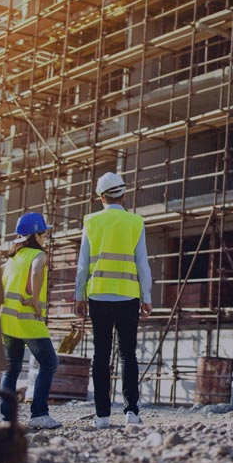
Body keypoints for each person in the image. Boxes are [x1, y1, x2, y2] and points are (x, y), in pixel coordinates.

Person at [74, 172, 152, 428]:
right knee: (128, 354)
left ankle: (102, 416)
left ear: (101, 197)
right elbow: (142, 263)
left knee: (101, 354)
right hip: (128, 295)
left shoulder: (92, 222)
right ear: (124, 194)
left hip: (98, 295)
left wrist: (78, 295)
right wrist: (147, 295)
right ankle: (131, 412)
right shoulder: (135, 222)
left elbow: (83, 263)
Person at [0, 212, 61, 429]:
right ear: (36, 233)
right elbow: (36, 273)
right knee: (49, 363)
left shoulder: (12, 259)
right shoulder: (39, 255)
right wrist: (35, 301)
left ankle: (7, 420)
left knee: (11, 369)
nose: (45, 237)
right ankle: (39, 414)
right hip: (28, 320)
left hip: (7, 321)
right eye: (44, 233)